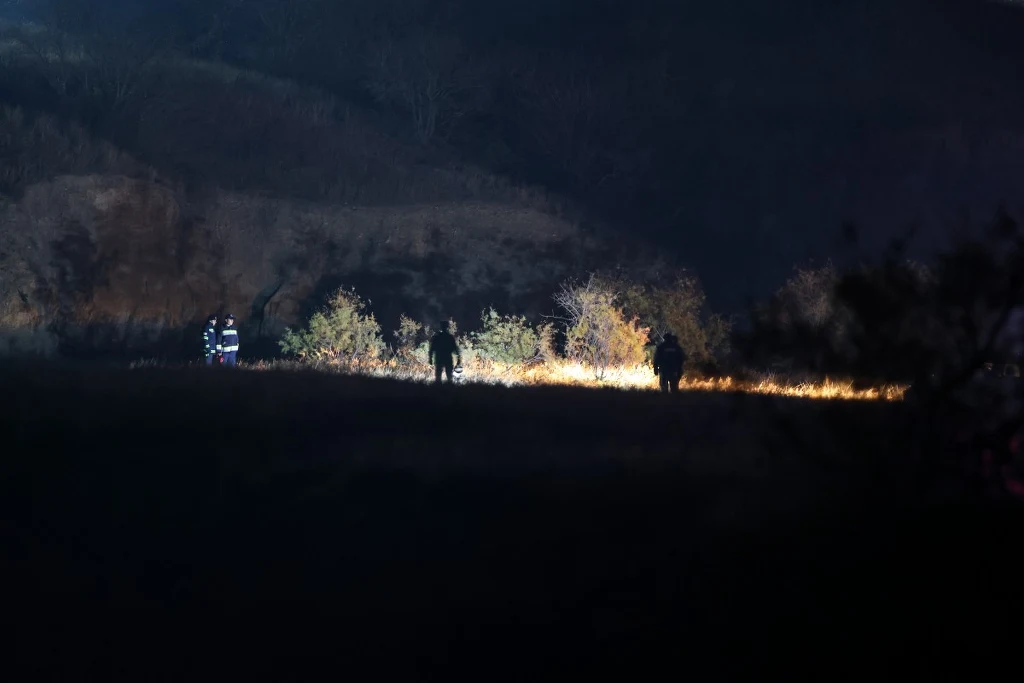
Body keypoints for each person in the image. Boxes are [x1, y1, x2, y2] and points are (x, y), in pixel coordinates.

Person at [428, 320, 461, 385]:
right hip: (447, 358)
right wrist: (458, 359)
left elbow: (431, 349)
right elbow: (455, 349)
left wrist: (430, 359)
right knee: (449, 377)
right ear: (447, 327)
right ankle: (448, 390)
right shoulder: (449, 337)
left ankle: (440, 391)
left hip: (439, 358)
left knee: (439, 377)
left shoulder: (437, 337)